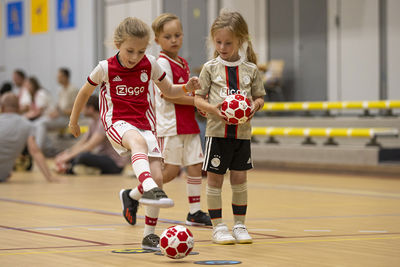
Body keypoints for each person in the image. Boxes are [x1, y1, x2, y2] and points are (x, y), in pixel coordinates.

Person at [68, 17, 200, 250]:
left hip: (146, 124)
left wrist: (187, 88)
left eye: (140, 51)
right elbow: (83, 92)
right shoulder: (105, 67)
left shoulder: (149, 63)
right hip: (117, 122)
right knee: (138, 145)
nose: (135, 57)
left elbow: (168, 90)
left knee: (158, 177)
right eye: (130, 51)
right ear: (118, 44)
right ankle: (148, 187)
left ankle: (148, 233)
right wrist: (74, 121)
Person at [194, 11, 265, 245]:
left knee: (239, 179)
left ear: (241, 41)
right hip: (217, 134)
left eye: (228, 42)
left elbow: (259, 98)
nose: (222, 47)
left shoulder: (251, 70)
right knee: (215, 180)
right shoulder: (210, 68)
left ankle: (240, 225)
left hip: (242, 135)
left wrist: (253, 106)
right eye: (218, 42)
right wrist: (213, 109)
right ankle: (218, 227)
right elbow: (198, 99)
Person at [151, 13, 211, 226]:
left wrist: (200, 100)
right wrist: (197, 102)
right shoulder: (162, 63)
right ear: (157, 40)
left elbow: (187, 93)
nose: (174, 40)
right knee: (170, 172)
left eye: (177, 35)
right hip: (171, 126)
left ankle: (194, 211)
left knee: (195, 166)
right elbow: (168, 94)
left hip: (188, 124)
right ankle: (135, 193)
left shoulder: (183, 63)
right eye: (168, 36)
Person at [55, 95, 129, 175]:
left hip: (115, 164)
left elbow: (90, 146)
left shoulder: (103, 122)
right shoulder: (93, 122)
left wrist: (68, 157)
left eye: (83, 107)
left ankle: (70, 169)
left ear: (91, 109)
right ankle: (72, 168)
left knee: (82, 156)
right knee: (77, 156)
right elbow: (83, 142)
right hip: (103, 157)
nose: (82, 110)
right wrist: (67, 153)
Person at [0, 93, 59, 183]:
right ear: (19, 108)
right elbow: (35, 152)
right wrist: (50, 177)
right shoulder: (27, 125)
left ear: (2, 107)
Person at [34, 68, 78, 154]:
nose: (57, 79)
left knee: (41, 123)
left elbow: (75, 111)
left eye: (59, 77)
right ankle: (47, 148)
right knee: (37, 123)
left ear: (66, 77)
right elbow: (59, 106)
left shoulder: (73, 90)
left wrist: (59, 112)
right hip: (60, 116)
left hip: (67, 119)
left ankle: (38, 150)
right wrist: (54, 112)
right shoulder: (60, 90)